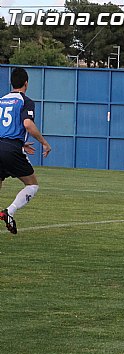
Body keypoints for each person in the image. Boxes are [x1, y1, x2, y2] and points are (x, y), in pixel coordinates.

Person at [0, 67, 52, 234]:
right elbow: (27, 124)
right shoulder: (25, 101)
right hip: (11, 149)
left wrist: (20, 143)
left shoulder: (2, 100)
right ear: (26, 83)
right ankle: (9, 211)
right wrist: (44, 143)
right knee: (32, 185)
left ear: (11, 83)